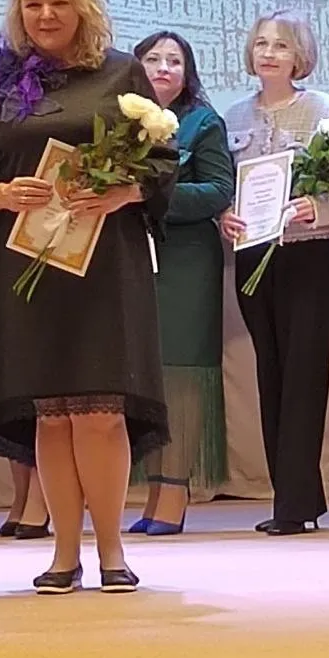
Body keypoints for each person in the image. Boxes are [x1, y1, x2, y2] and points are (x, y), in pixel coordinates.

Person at [0, 0, 178, 594]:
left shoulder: (121, 72)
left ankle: (112, 552)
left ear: (82, 7)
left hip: (105, 263)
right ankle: (63, 554)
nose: (46, 15)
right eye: (33, 4)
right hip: (25, 262)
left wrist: (124, 191)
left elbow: (162, 162)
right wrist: (0, 194)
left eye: (58, 2)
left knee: (100, 413)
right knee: (52, 417)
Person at [220, 11, 329, 535]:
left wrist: (315, 207)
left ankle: (296, 505)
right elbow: (224, 187)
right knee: (270, 374)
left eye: (281, 46)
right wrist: (223, 215)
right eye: (262, 44)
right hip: (254, 256)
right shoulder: (232, 116)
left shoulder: (324, 111)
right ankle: (289, 499)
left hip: (307, 256)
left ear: (300, 56)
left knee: (304, 378)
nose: (269, 53)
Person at [130, 30, 234, 534]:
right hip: (133, 260)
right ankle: (152, 493)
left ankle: (175, 491)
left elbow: (218, 190)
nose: (163, 68)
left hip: (188, 262)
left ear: (187, 72)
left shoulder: (203, 121)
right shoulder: (121, 122)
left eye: (175, 60)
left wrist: (151, 194)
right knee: (146, 377)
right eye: (153, 59)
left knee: (183, 376)